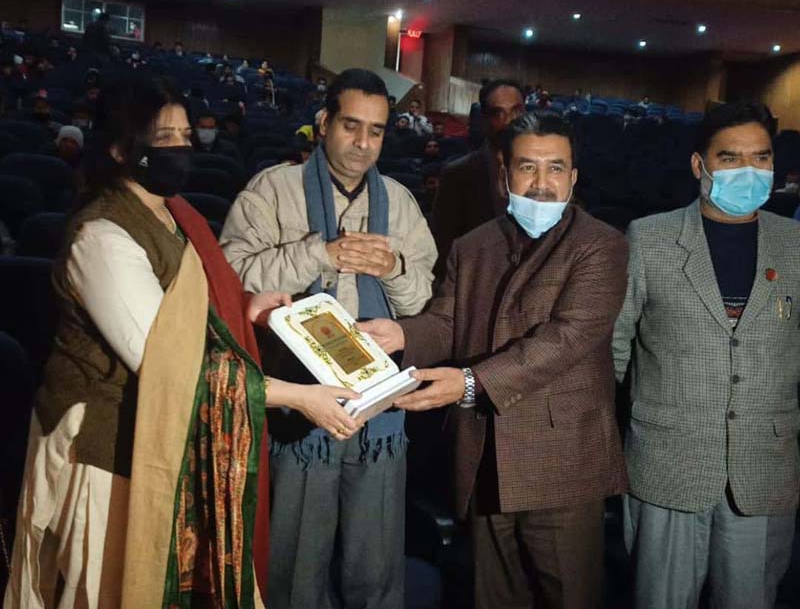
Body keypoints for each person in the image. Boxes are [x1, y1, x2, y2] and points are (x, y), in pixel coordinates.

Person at [3, 75, 362, 609]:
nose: (178, 148)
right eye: (161, 137)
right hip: (106, 447)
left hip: (164, 434)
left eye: (184, 135)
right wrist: (299, 397)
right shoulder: (101, 236)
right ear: (123, 148)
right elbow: (169, 360)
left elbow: (186, 313)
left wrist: (247, 309)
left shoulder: (174, 214)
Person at [359, 110, 629, 609]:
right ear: (505, 175)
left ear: (573, 176)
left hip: (561, 461)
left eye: (555, 168)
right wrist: (400, 333)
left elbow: (566, 340)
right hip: (485, 453)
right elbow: (446, 322)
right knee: (494, 595)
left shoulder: (601, 246)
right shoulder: (473, 245)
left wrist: (467, 383)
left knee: (568, 594)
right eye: (528, 167)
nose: (542, 183)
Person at [220, 68, 437, 609]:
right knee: (296, 560)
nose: (364, 143)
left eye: (377, 131)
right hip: (300, 403)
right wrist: (321, 253)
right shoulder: (273, 188)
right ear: (323, 124)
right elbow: (233, 278)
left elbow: (426, 307)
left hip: (379, 408)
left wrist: (392, 268)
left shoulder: (402, 203)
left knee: (377, 560)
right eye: (351, 126)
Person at [612, 102, 800, 609]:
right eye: (731, 158)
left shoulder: (796, 244)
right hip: (668, 463)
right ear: (700, 165)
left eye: (761, 158)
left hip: (764, 470)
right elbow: (616, 346)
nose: (749, 171)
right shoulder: (650, 238)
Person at [431, 78, 524, 277]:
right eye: (499, 113)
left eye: (516, 111)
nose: (509, 121)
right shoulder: (457, 174)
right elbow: (443, 248)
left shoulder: (541, 174)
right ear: (483, 119)